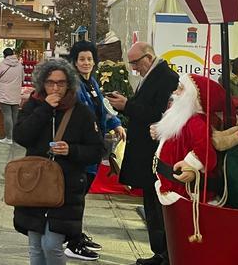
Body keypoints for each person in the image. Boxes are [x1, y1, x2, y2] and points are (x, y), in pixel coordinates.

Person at [12, 59, 105, 264]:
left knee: (52, 244)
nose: (55, 88)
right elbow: (20, 136)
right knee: (35, 245)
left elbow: (97, 150)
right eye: (50, 82)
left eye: (61, 83)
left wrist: (72, 150)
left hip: (66, 186)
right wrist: (44, 109)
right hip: (35, 183)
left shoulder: (81, 112)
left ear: (69, 84)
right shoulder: (33, 105)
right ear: (42, 83)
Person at [106, 42, 179, 265]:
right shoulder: (152, 74)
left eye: (136, 63)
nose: (134, 68)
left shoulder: (165, 77)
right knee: (151, 205)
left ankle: (164, 255)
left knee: (156, 206)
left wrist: (127, 105)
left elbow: (158, 114)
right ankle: (159, 253)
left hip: (153, 151)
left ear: (148, 58)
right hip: (144, 148)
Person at [66, 40, 126, 258]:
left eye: (89, 59)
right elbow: (82, 114)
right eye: (82, 59)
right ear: (74, 61)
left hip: (92, 148)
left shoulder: (90, 83)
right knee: (76, 197)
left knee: (81, 195)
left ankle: (75, 234)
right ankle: (72, 242)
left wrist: (115, 124)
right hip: (80, 149)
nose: (86, 62)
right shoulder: (73, 84)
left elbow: (103, 109)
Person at [150, 74, 224, 206]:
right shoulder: (184, 117)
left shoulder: (196, 122)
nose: (175, 93)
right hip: (171, 185)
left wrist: (191, 165)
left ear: (193, 97)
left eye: (181, 89)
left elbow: (205, 152)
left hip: (183, 191)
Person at [0, 47, 24, 145]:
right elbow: (23, 78)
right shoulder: (20, 65)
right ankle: (15, 137)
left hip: (4, 94)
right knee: (15, 116)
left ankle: (9, 138)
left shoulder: (2, 65)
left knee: (7, 115)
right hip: (16, 93)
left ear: (4, 55)